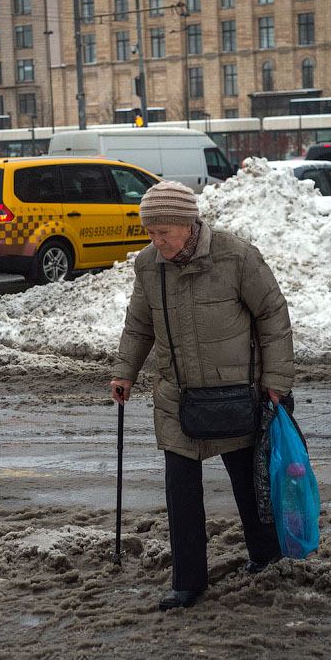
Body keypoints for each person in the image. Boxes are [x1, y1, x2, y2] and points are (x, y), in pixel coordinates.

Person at [109, 180, 295, 611]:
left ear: (187, 224)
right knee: (181, 492)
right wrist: (125, 373)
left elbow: (272, 313)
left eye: (164, 233)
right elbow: (139, 326)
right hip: (177, 397)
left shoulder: (235, 255)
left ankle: (266, 557)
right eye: (151, 233)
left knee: (250, 484)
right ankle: (188, 582)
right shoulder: (148, 266)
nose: (157, 242)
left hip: (235, 393)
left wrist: (276, 379)